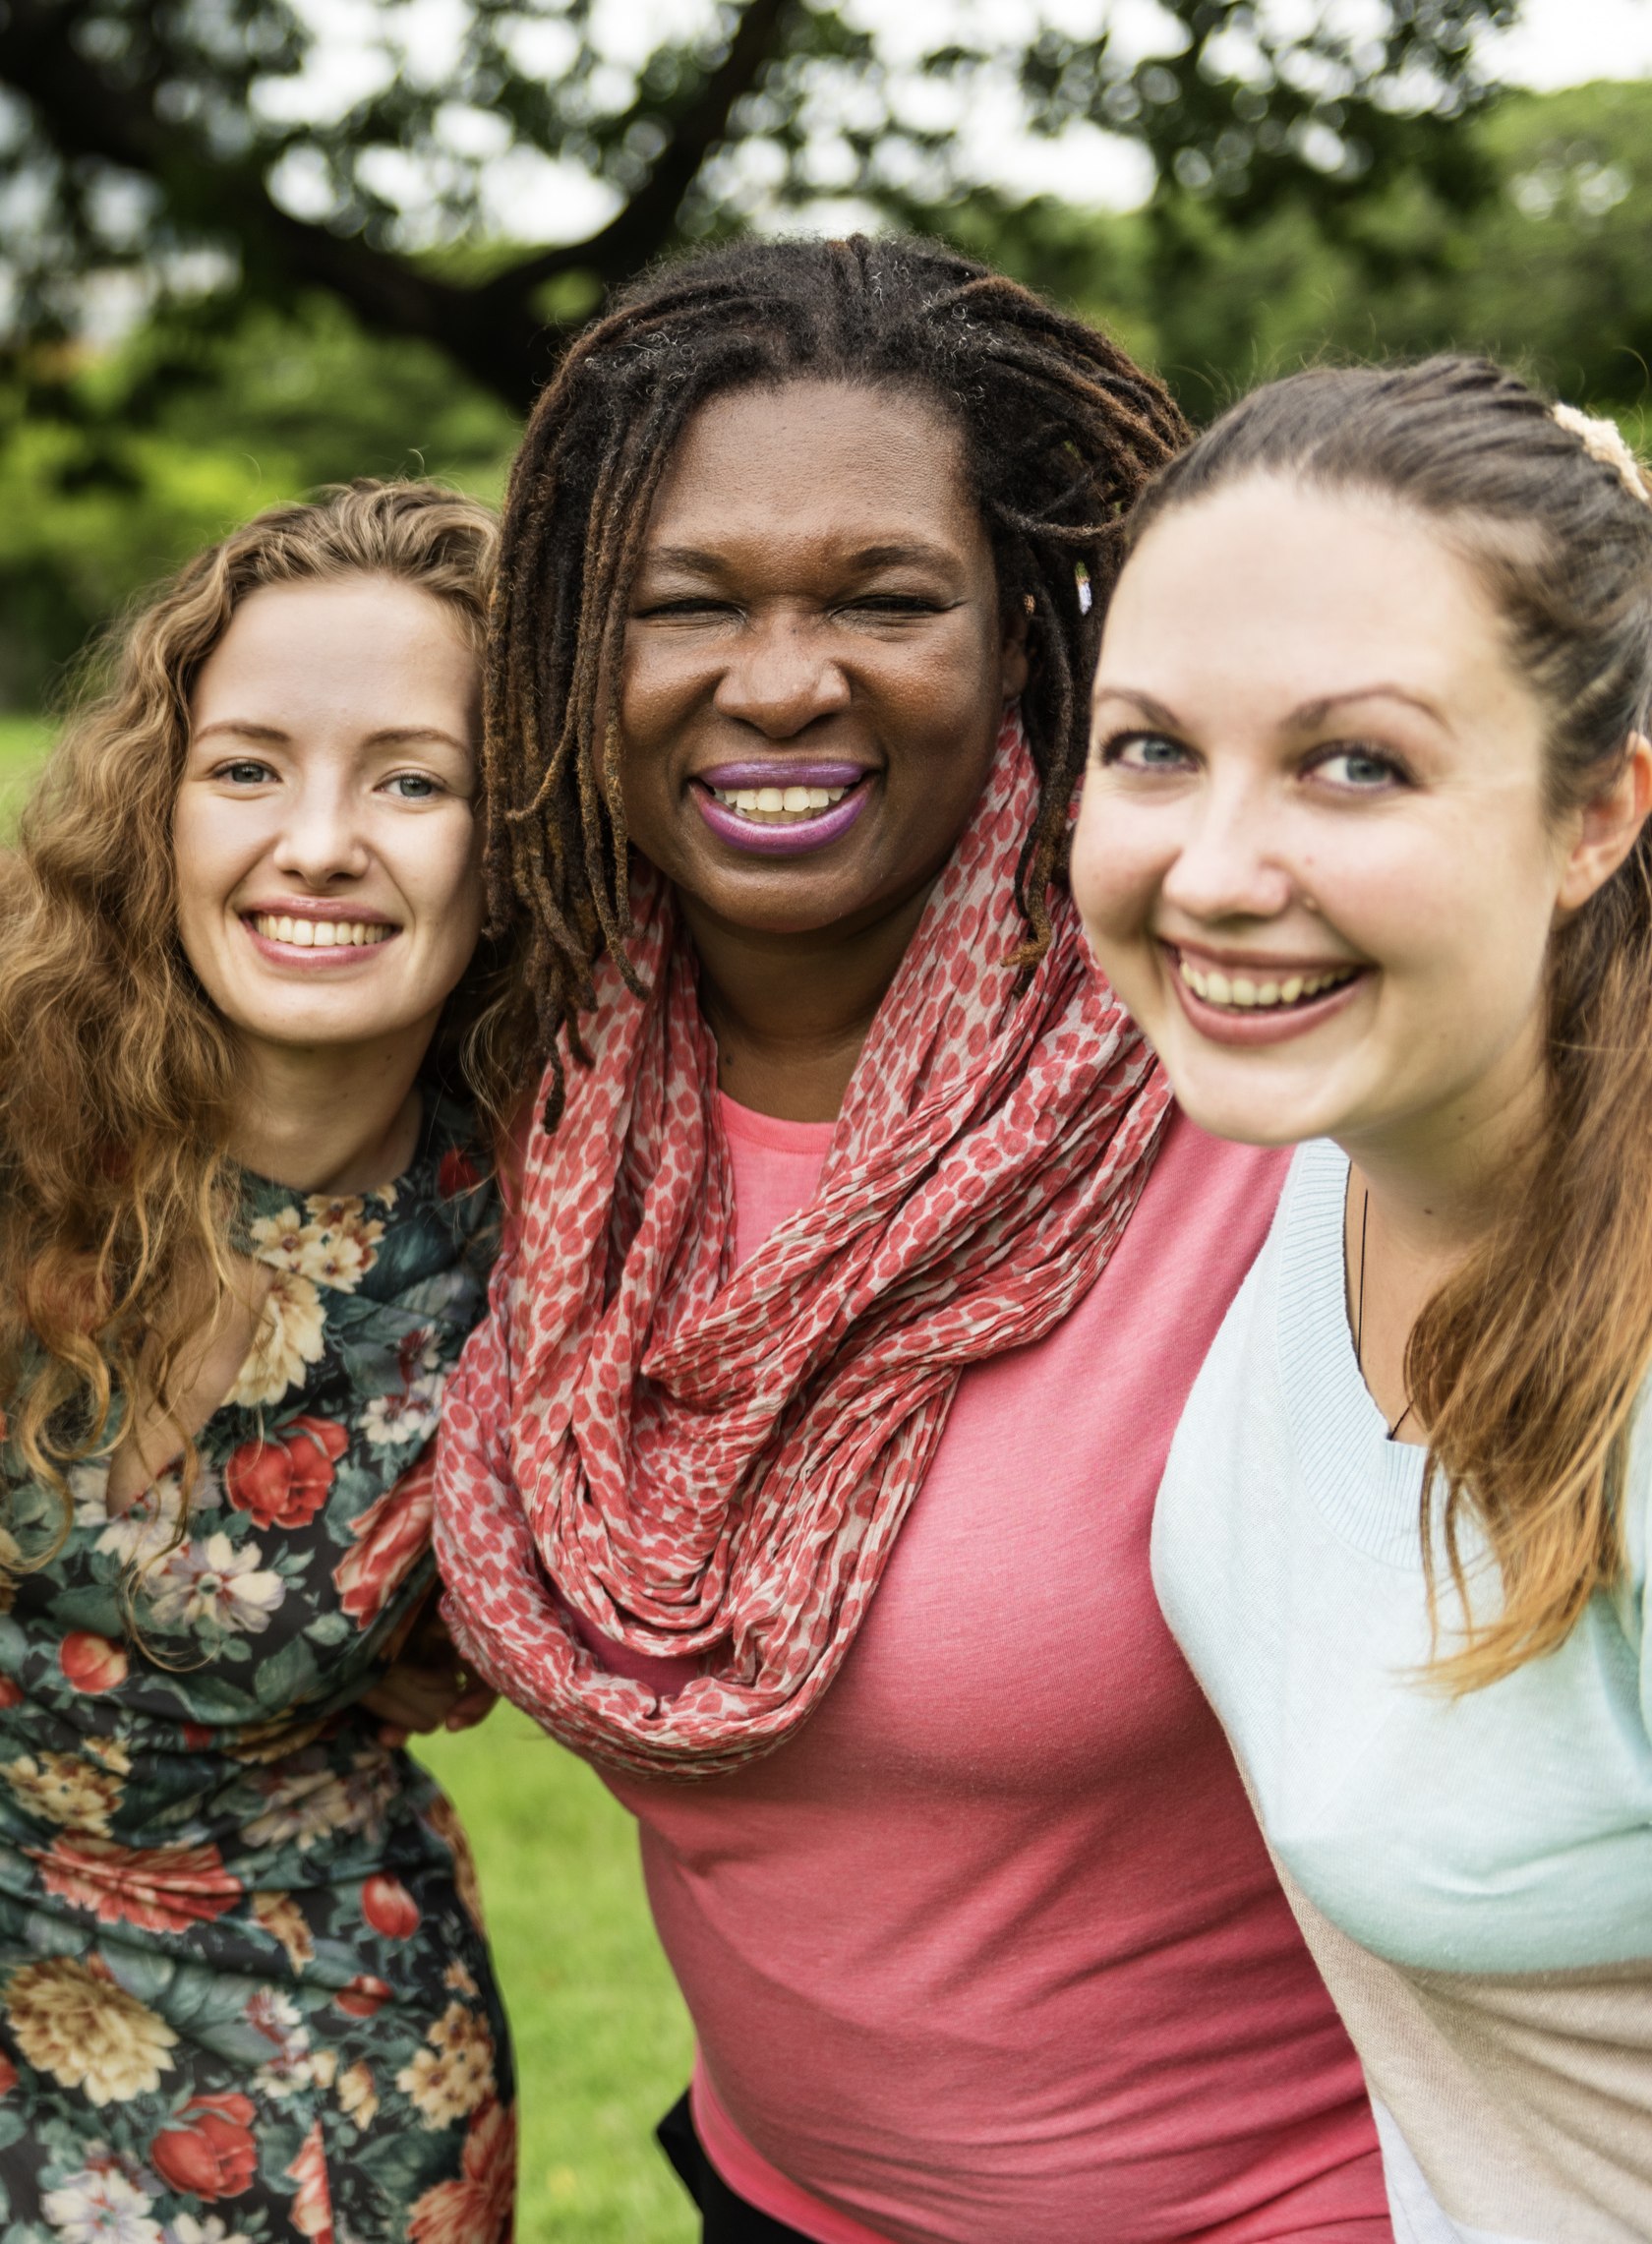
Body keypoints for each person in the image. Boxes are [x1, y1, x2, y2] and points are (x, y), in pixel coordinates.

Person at [436, 235, 1391, 2244]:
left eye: (885, 598)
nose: (782, 681)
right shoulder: (516, 1087)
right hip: (784, 2201)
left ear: (1034, 624)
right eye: (683, 604)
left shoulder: (1249, 1080)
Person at [1073, 355, 1652, 2244]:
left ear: (1594, 817)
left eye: (1357, 762)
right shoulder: (1325, 1142)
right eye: (1151, 745)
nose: (1217, 872)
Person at [0, 483, 531, 2241]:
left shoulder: (551, 1240)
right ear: (155, 807)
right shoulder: (16, 1111)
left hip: (317, 2048)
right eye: (247, 768)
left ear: (516, 836)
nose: (319, 841)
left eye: (412, 778)